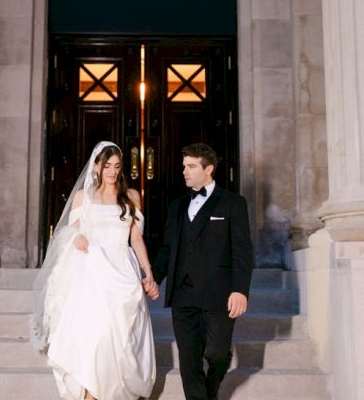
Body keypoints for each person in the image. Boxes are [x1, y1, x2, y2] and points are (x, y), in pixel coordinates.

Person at [30, 141, 157, 400]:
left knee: (120, 336)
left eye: (117, 166)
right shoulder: (83, 197)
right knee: (97, 333)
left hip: (122, 269)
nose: (111, 171)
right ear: (96, 166)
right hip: (92, 271)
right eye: (106, 165)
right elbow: (71, 229)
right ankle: (90, 393)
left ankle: (110, 391)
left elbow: (136, 238)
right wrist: (76, 237)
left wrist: (148, 272)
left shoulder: (131, 197)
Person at [147, 143, 254, 400]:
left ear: (208, 169)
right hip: (183, 293)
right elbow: (168, 248)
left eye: (191, 166)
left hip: (219, 292)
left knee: (217, 353)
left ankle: (211, 390)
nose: (184, 171)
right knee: (189, 360)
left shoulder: (233, 204)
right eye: (184, 166)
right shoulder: (176, 206)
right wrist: (154, 278)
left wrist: (240, 290)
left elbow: (242, 252)